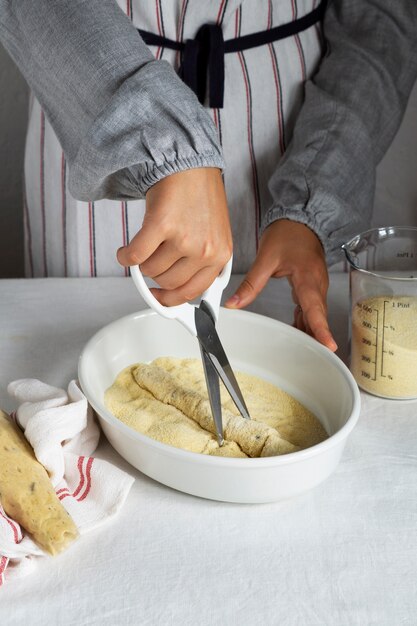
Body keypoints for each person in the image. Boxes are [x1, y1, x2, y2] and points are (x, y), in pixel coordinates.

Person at [1, 0, 416, 353]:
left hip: (296, 124)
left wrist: (317, 199)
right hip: (86, 96)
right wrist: (163, 142)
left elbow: (379, 19)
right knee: (72, 360)